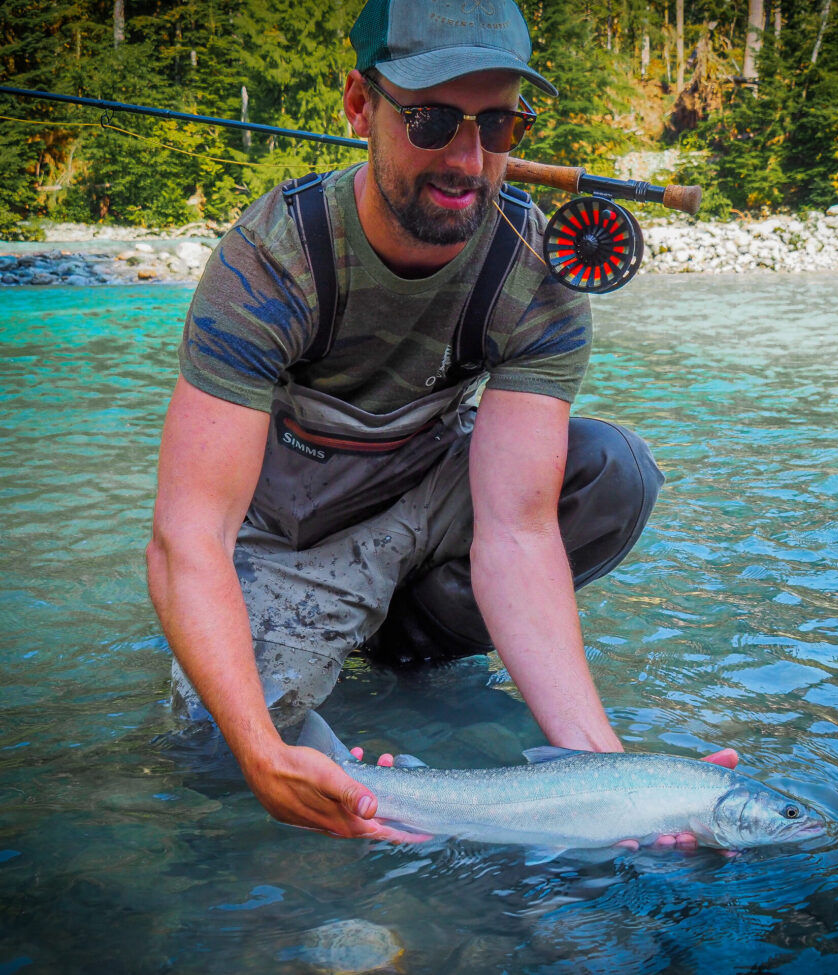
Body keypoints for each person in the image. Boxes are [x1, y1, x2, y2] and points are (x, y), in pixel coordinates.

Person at [146, 0, 735, 846]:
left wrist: (611, 780)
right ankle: (308, 652)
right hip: (293, 540)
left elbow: (518, 530)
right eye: (430, 121)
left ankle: (404, 645)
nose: (466, 159)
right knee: (218, 757)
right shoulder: (273, 259)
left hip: (427, 502)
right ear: (360, 105)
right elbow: (187, 535)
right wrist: (259, 749)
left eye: (497, 124)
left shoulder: (536, 268)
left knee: (613, 469)